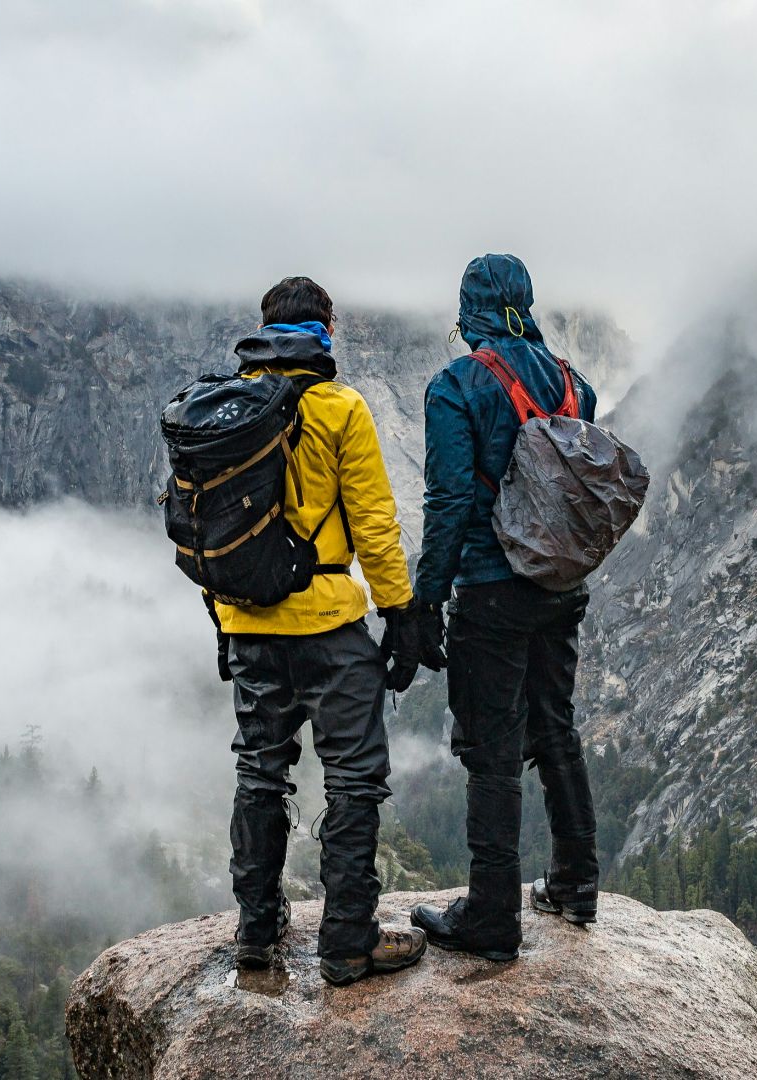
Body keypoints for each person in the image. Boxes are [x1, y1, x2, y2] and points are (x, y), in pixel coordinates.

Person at [213, 276, 434, 986]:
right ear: (326, 331)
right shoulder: (340, 408)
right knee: (354, 781)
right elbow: (373, 525)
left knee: (259, 773)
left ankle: (256, 933)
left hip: (247, 623)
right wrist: (400, 615)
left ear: (265, 330)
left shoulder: (223, 412)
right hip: (330, 627)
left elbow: (210, 535)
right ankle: (346, 943)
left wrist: (225, 622)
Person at [408, 254, 602, 962]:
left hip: (492, 591)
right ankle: (576, 885)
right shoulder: (575, 386)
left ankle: (492, 916)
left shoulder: (457, 386)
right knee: (555, 726)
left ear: (470, 310)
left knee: (491, 749)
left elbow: (451, 502)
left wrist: (425, 600)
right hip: (561, 586)